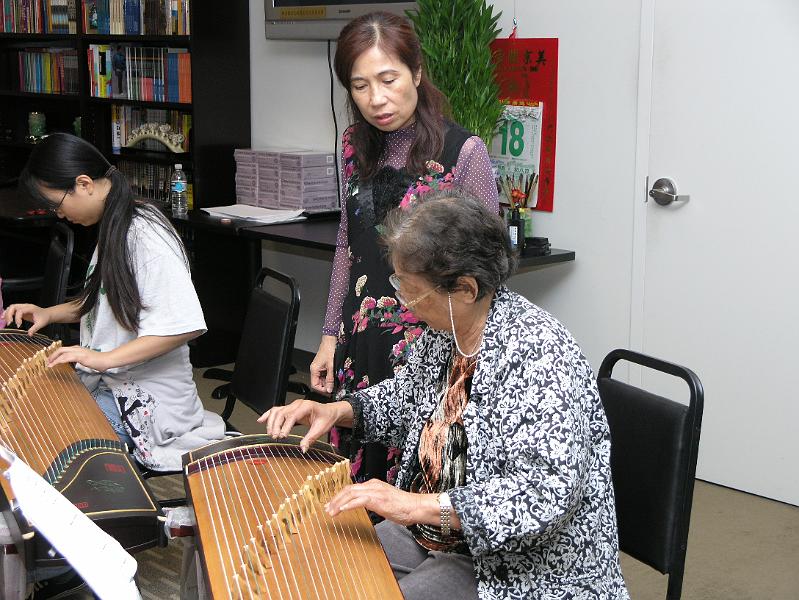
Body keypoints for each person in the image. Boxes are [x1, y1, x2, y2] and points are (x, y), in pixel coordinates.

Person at [261, 190, 630, 600]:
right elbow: (407, 398)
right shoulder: (449, 332)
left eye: (413, 292)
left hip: (514, 563)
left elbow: (544, 495)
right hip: (435, 531)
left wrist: (413, 506)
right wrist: (339, 411)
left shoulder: (541, 355)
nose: (405, 303)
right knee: (323, 567)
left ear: (466, 289)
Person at [311, 11, 499, 484]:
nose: (376, 99)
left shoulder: (463, 152)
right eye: (359, 85)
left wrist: (467, 359)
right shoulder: (353, 145)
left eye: (389, 79)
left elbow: (490, 272)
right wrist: (329, 335)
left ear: (416, 72)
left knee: (415, 483)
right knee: (356, 474)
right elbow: (346, 244)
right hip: (362, 337)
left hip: (430, 343)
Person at [3, 133, 225, 474]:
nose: (59, 215)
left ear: (84, 183)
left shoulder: (144, 235)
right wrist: (50, 312)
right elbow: (105, 301)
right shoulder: (117, 224)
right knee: (26, 413)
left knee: (47, 442)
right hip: (113, 386)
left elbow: (183, 325)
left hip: (146, 404)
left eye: (57, 204)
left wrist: (103, 359)